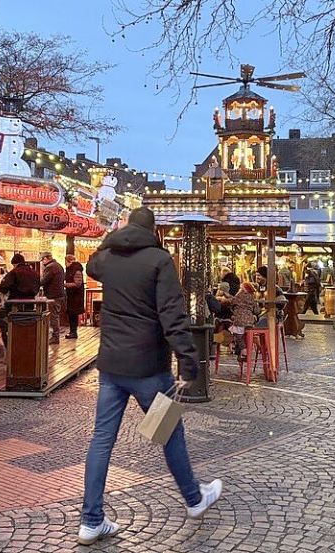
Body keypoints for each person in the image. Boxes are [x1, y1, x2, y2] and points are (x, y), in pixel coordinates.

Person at [79, 207, 222, 545]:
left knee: (101, 440)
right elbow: (172, 314)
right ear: (154, 230)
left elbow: (92, 263)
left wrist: (110, 234)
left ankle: (90, 521)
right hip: (149, 371)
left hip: (111, 368)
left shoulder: (108, 258)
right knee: (169, 433)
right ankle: (193, 498)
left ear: (128, 228)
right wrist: (189, 363)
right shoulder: (160, 261)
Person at [0, 253, 40, 343]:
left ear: (15, 264)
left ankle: (7, 330)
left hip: (14, 305)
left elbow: (3, 287)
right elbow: (37, 288)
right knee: (25, 323)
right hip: (30, 305)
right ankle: (23, 343)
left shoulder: (14, 272)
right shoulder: (34, 272)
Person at [40, 252, 66, 344]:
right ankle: (55, 336)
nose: (42, 262)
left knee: (53, 316)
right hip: (59, 294)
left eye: (42, 259)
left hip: (53, 295)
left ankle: (55, 337)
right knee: (55, 315)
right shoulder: (58, 265)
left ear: (46, 258)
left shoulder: (50, 267)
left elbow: (44, 281)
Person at [64, 254, 85, 339]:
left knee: (73, 314)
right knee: (72, 314)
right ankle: (72, 331)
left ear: (69, 261)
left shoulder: (76, 270)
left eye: (65, 261)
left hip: (75, 297)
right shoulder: (72, 270)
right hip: (73, 296)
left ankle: (73, 332)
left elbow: (78, 284)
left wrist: (65, 285)